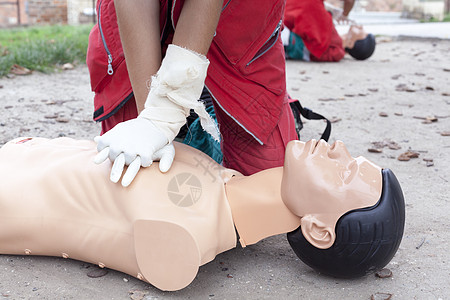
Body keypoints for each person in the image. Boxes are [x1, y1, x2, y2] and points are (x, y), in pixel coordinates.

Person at [0, 137, 405, 291]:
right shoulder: (221, 178)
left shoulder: (183, 245)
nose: (338, 151)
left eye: (344, 172)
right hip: (26, 154)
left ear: (318, 230)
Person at [87, 0, 298, 187]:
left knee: (273, 184)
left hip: (238, 31)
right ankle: (187, 119)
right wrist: (152, 118)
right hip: (147, 29)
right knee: (131, 174)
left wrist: (164, 113)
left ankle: (202, 105)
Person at [282, 0, 376, 62]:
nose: (360, 26)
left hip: (289, 40)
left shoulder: (336, 48)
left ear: (351, 43)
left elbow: (310, 9)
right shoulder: (334, 41)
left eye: (361, 31)